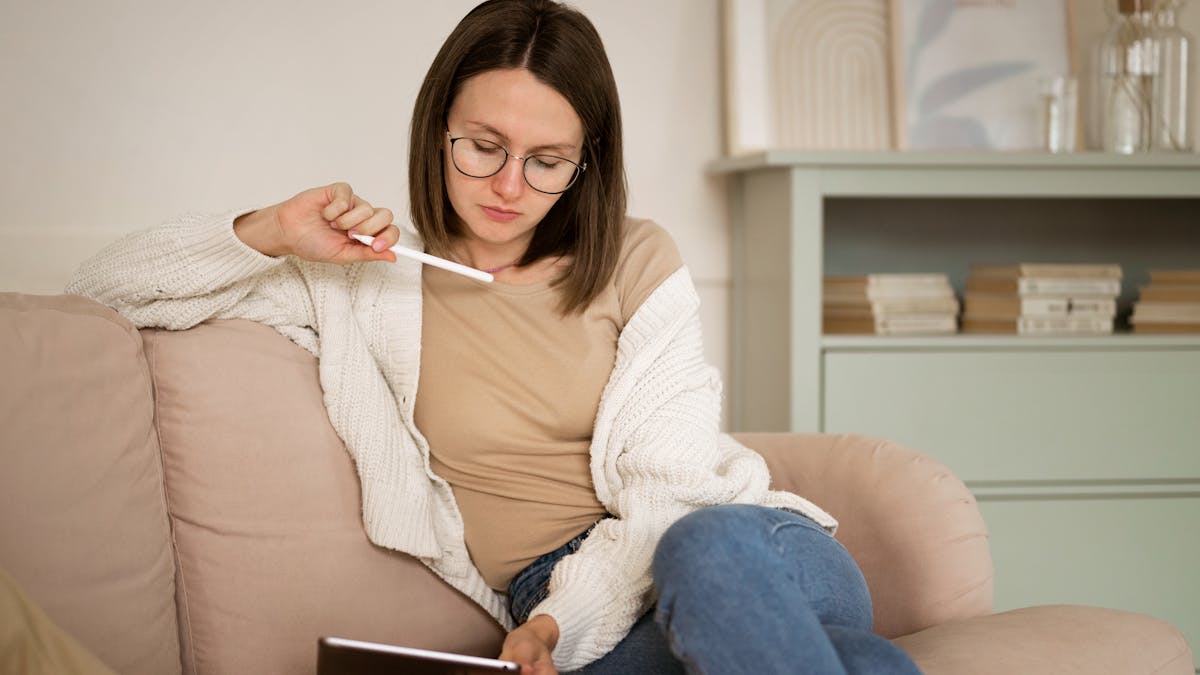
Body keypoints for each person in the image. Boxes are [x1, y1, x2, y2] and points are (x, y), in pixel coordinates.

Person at [67, 1, 923, 673]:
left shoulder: (636, 257)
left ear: (587, 162)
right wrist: (272, 228)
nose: (509, 185)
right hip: (579, 616)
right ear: (438, 127)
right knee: (858, 666)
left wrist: (559, 621)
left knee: (701, 546)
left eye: (547, 160)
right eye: (483, 147)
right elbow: (98, 294)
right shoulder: (366, 274)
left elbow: (671, 497)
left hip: (743, 553)